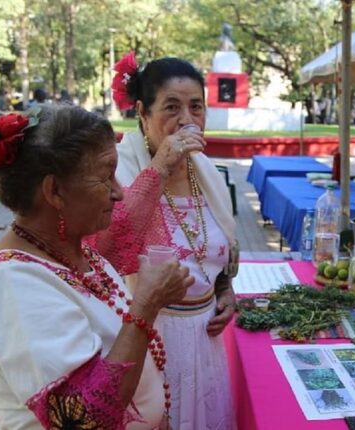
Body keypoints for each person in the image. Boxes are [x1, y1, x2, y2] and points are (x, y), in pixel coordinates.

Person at [0, 105, 194, 428]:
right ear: (55, 191)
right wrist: (146, 303)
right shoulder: (12, 285)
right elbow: (80, 419)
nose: (118, 192)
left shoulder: (79, 254)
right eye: (105, 175)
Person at [89, 52, 238, 429]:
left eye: (196, 107)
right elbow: (107, 249)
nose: (187, 120)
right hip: (150, 342)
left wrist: (224, 289)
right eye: (171, 107)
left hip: (206, 343)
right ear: (142, 112)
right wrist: (159, 167)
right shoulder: (118, 170)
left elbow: (215, 250)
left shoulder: (207, 174)